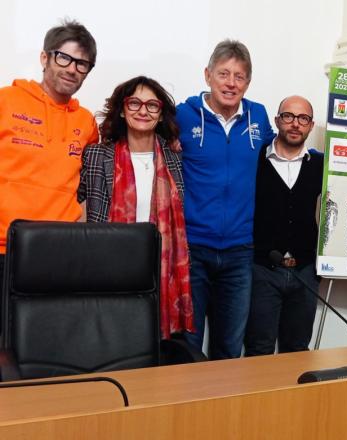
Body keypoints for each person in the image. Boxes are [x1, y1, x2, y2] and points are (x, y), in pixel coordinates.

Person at [176, 40, 275, 359]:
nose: (231, 83)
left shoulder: (258, 116)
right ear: (208, 75)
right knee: (187, 346)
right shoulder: (183, 115)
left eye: (239, 76)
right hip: (193, 250)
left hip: (239, 251)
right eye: (223, 74)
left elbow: (281, 152)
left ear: (248, 82)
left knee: (230, 348)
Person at [78, 76, 192, 339]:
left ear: (160, 115)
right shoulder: (96, 155)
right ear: (122, 109)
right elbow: (74, 204)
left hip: (159, 269)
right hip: (107, 266)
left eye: (152, 105)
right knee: (111, 340)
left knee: (152, 344)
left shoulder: (175, 157)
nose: (143, 111)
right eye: (134, 103)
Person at [0, 19, 98, 290]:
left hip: (59, 249)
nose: (72, 69)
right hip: (3, 247)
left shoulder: (86, 122)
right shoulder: (6, 101)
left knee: (52, 320)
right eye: (64, 58)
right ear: (45, 58)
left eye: (82, 64)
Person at [245, 96, 323, 356]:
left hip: (305, 271)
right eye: (288, 116)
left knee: (298, 350)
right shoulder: (255, 160)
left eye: (303, 118)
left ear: (311, 125)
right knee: (259, 348)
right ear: (277, 120)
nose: (295, 124)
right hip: (262, 270)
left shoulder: (321, 165)